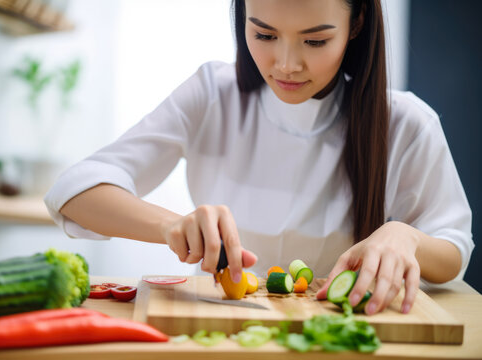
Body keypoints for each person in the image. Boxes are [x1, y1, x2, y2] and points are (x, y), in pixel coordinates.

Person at [44, 0, 474, 316]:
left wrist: (406, 236)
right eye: (264, 34)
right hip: (229, 329)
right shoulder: (212, 92)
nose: (286, 64)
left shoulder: (407, 122)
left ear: (357, 22)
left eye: (315, 40)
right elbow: (72, 190)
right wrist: (171, 225)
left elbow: (453, 250)